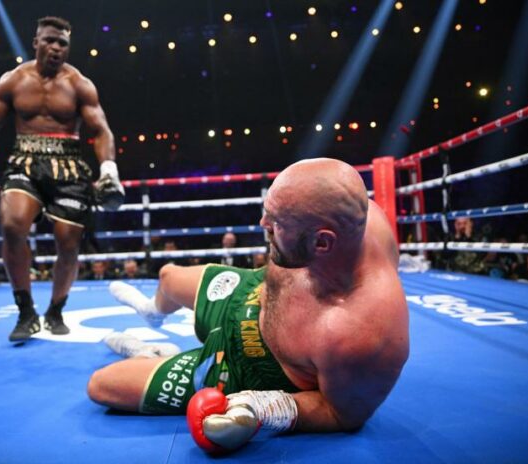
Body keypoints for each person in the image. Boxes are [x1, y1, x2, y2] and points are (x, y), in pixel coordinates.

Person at [87, 158, 409, 452]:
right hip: (252, 292)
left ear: (321, 242)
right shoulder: (349, 210)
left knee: (102, 385)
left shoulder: (365, 333)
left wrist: (266, 408)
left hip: (245, 370)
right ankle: (151, 313)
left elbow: (342, 415)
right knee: (168, 277)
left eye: (276, 223)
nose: (262, 224)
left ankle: (152, 353)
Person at [0, 17, 124, 342]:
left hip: (68, 167)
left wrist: (109, 170)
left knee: (68, 243)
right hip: (24, 161)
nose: (55, 48)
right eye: (50, 40)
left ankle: (55, 310)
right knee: (12, 226)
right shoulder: (13, 81)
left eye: (62, 43)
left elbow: (100, 130)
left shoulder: (80, 84)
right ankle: (25, 311)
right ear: (36, 41)